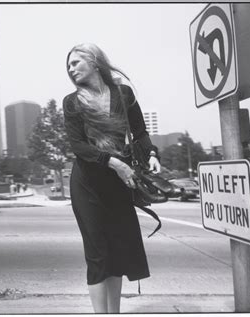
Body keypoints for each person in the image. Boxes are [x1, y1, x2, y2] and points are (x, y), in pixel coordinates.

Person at [63, 43, 161, 313]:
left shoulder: (123, 94)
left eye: (75, 63)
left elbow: (140, 132)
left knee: (117, 253)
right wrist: (115, 163)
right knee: (98, 255)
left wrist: (152, 154)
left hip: (119, 183)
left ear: (94, 62)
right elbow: (79, 146)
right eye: (68, 66)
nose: (70, 69)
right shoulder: (72, 103)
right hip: (87, 184)